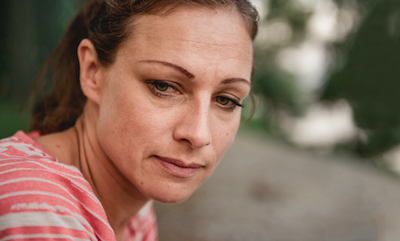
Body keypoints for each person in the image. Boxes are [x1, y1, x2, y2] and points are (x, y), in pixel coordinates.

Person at [0, 0, 259, 240]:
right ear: (92, 72)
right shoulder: (38, 207)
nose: (200, 135)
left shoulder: (137, 206)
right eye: (164, 86)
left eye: (226, 100)